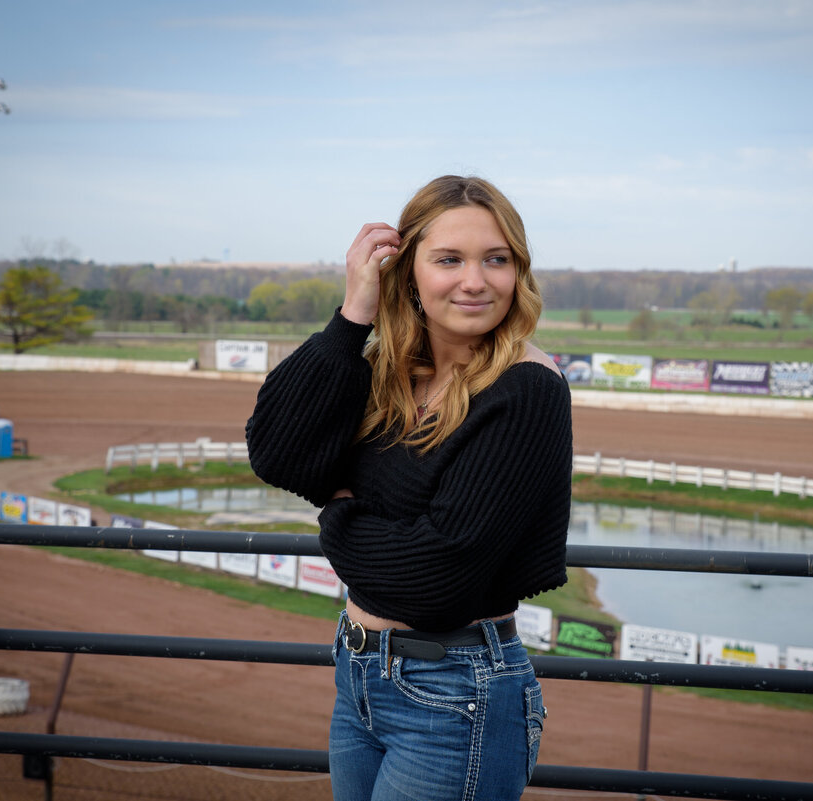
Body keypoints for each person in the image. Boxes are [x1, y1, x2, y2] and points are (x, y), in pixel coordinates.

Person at [245, 174, 573, 800]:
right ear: (410, 273)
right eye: (449, 259)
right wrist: (353, 317)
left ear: (518, 273)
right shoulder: (389, 372)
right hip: (360, 672)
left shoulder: (528, 389)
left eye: (496, 260)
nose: (475, 280)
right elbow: (279, 454)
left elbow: (436, 577)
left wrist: (338, 514)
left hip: (456, 692)